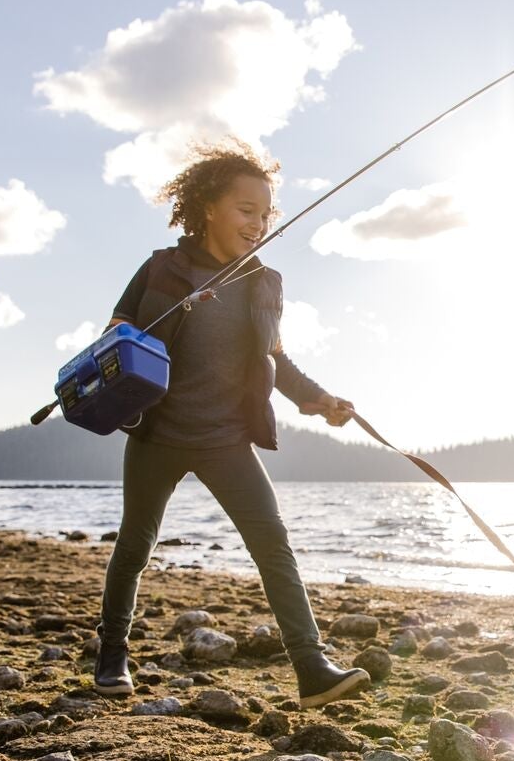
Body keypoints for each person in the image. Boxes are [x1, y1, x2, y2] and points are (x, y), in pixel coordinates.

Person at [93, 138, 370, 709]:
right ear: (209, 208)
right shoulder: (161, 267)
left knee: (273, 545)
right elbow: (114, 335)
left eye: (266, 214)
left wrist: (321, 399)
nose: (258, 223)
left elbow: (276, 361)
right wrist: (144, 330)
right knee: (135, 545)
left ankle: (312, 667)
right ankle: (112, 655)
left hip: (226, 439)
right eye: (247, 210)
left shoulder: (264, 282)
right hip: (157, 434)